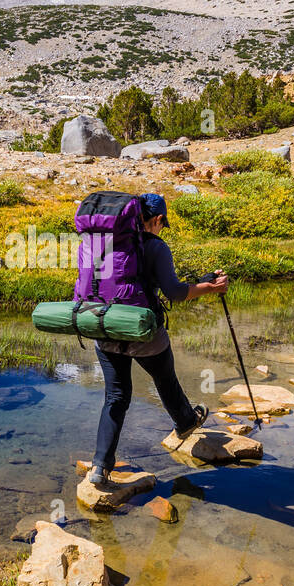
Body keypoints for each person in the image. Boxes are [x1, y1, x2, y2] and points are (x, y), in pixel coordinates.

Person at [86, 192, 228, 489]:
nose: (161, 230)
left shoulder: (98, 243)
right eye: (163, 225)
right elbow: (175, 292)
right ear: (158, 219)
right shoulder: (155, 246)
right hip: (141, 331)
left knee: (116, 396)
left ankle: (99, 467)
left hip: (103, 326)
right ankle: (186, 421)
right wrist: (210, 288)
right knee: (164, 377)